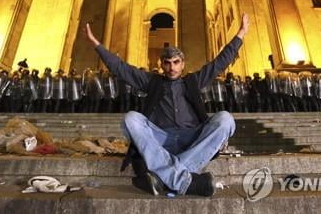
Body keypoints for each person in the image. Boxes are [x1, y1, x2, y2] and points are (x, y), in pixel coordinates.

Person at [85, 14, 249, 197]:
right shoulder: (152, 82)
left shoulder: (193, 81)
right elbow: (122, 69)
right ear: (161, 64)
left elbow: (219, 63)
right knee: (131, 118)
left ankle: (163, 177)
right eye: (168, 63)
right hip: (161, 138)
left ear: (183, 64)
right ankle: (183, 181)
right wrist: (96, 45)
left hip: (191, 136)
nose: (172, 67)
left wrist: (240, 34)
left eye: (176, 62)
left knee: (225, 119)